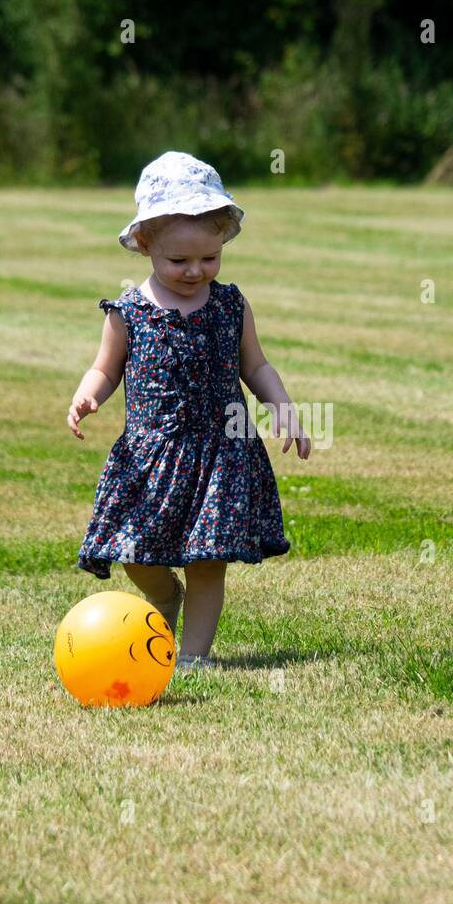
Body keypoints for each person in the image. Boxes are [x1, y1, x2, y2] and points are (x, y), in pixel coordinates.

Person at [69, 151, 311, 670]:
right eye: (179, 261)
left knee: (208, 559)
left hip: (222, 451)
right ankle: (164, 595)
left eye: (209, 258)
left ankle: (196, 656)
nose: (195, 271)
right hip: (152, 454)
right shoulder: (128, 312)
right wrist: (88, 395)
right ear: (145, 243)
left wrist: (283, 407)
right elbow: (106, 369)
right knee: (133, 551)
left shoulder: (229, 305)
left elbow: (258, 367)